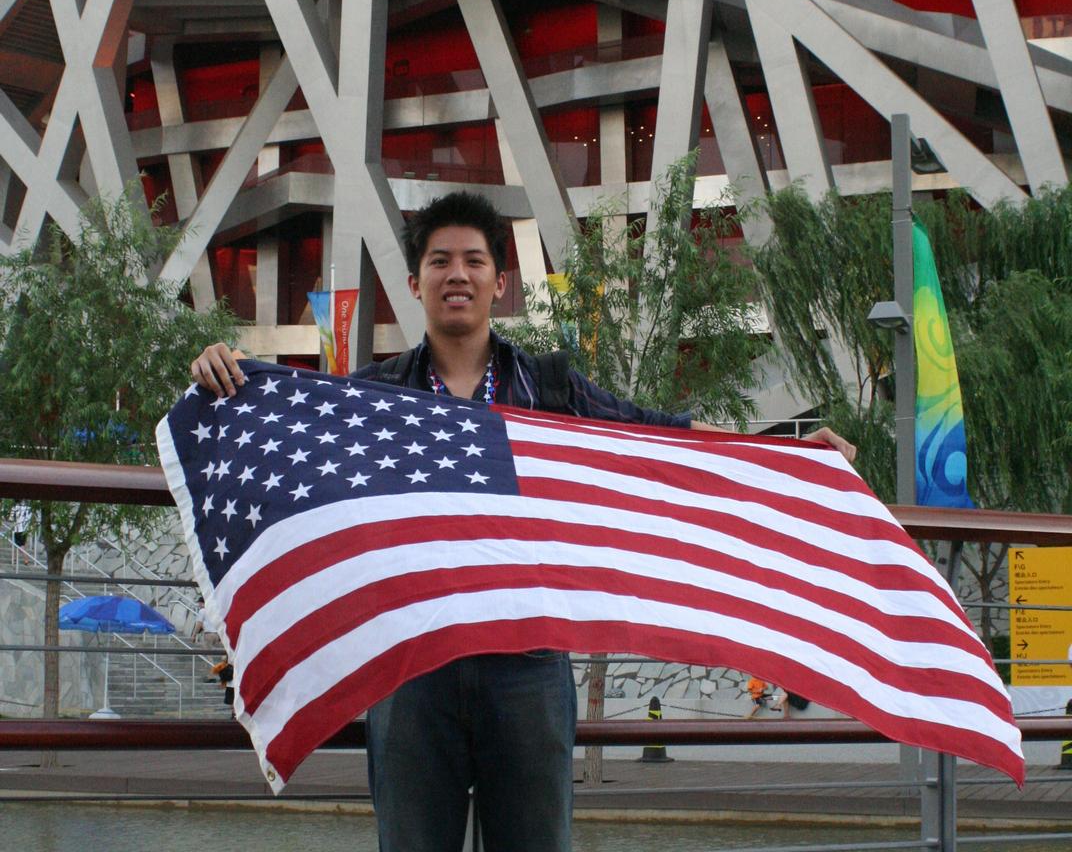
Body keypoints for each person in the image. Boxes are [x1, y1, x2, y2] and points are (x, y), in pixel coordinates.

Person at [191, 190, 855, 852]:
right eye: (441, 260)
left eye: (474, 261)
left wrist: (792, 457)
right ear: (414, 281)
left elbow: (658, 435)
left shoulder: (549, 388)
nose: (458, 274)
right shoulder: (375, 397)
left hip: (528, 667)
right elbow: (289, 441)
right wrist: (223, 378)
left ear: (499, 283)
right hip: (411, 670)